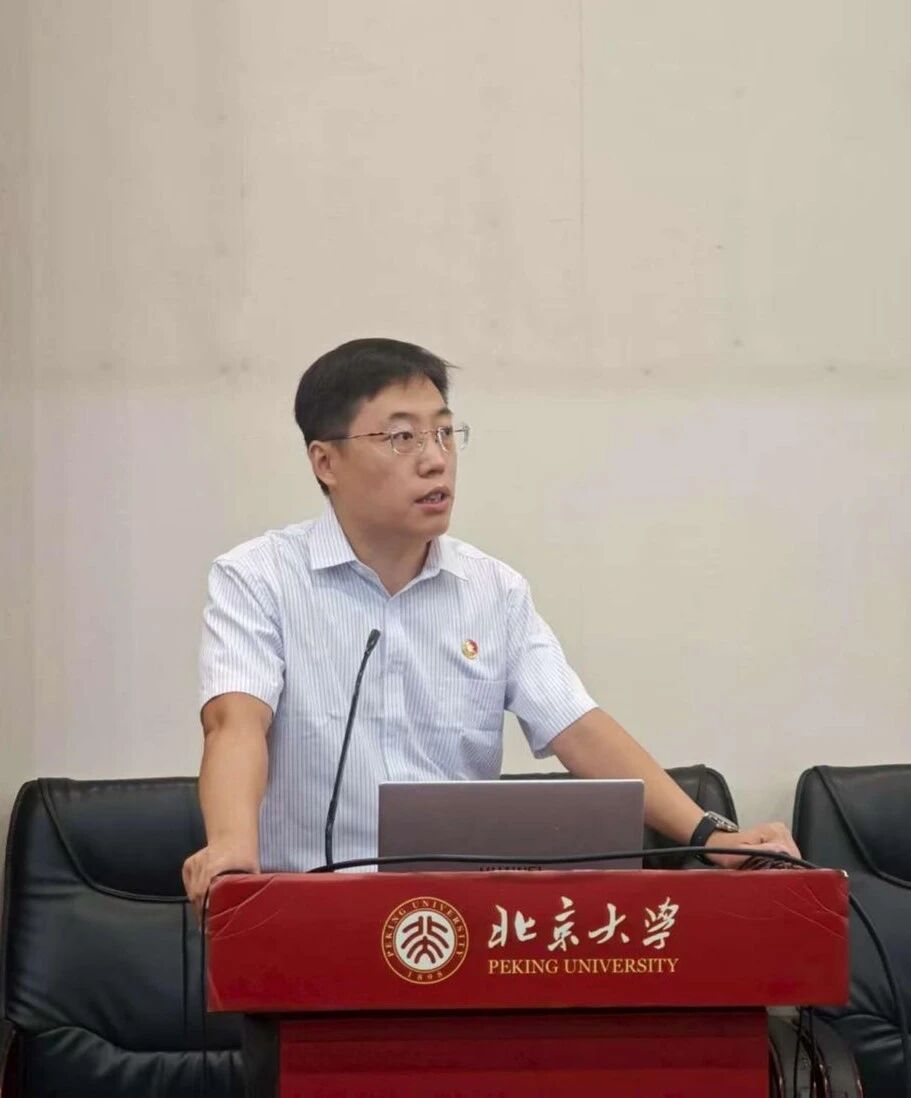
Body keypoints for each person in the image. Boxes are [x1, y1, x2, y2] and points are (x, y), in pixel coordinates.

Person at [182, 338, 799, 913]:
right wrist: (232, 847)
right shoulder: (258, 578)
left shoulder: (493, 591)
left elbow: (577, 727)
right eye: (401, 438)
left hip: (458, 924)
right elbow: (235, 723)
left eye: (445, 433)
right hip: (307, 915)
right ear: (326, 462)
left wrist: (709, 835)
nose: (435, 460)